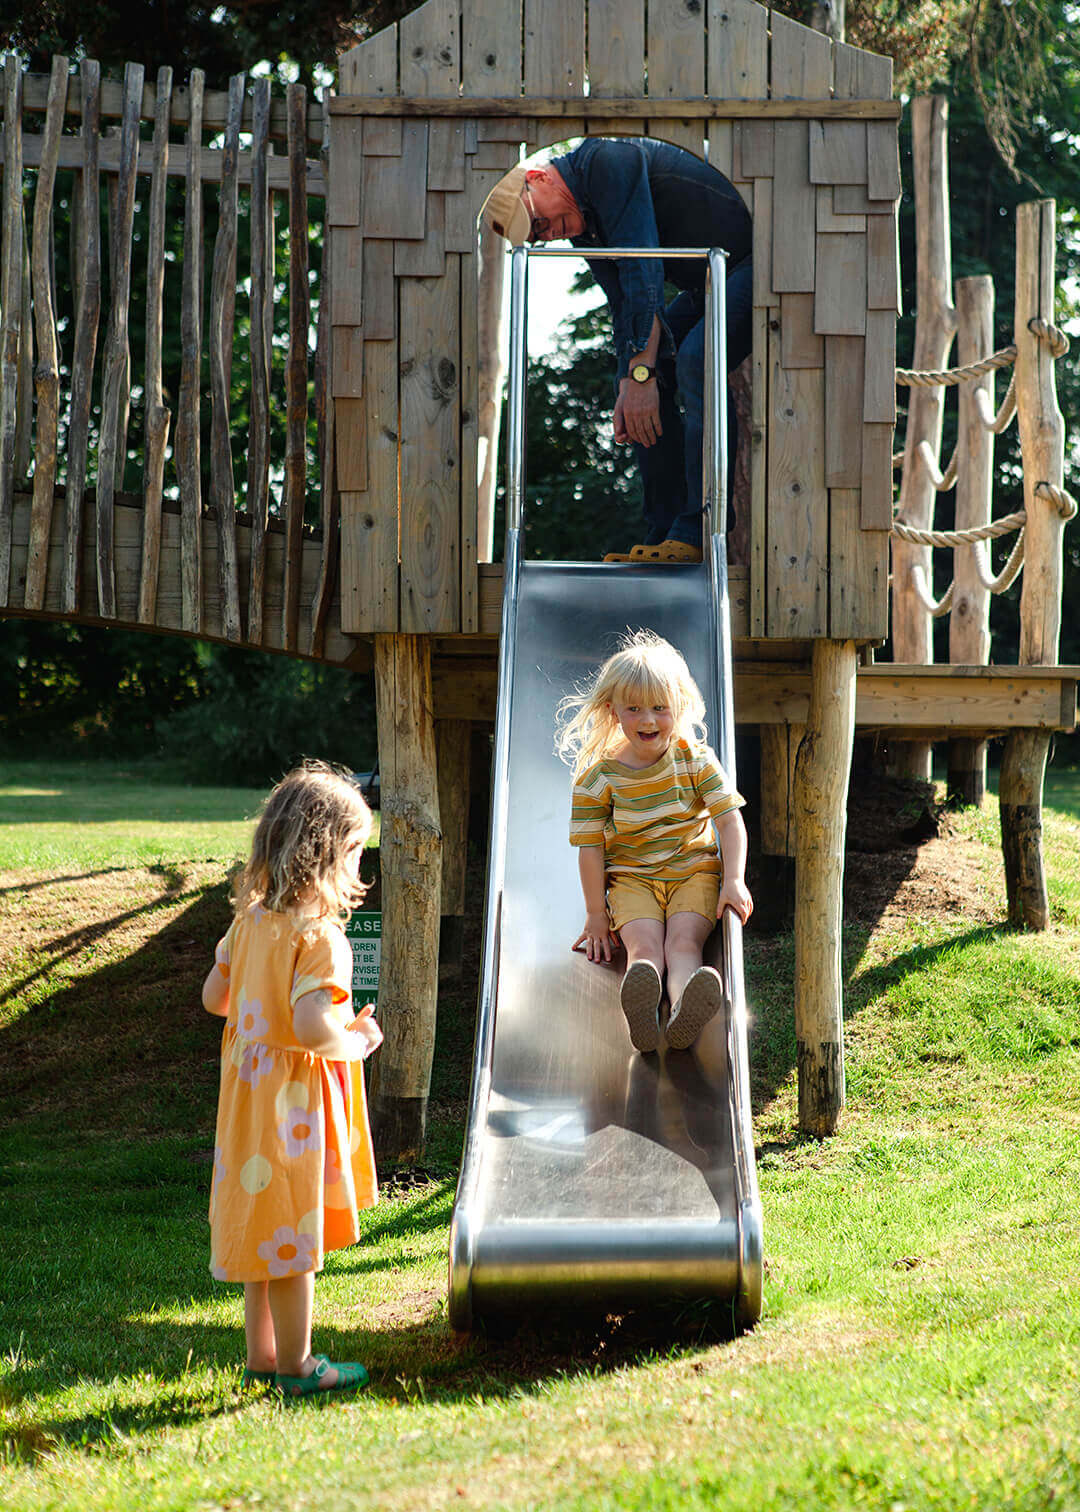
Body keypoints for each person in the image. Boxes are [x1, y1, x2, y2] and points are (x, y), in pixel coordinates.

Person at [481, 137, 753, 563]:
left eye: (538, 225)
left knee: (698, 360)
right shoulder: (586, 223)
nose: (549, 236)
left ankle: (700, 525)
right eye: (539, 240)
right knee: (635, 376)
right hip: (710, 284)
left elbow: (643, 269)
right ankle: (667, 530)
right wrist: (630, 380)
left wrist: (641, 375)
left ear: (537, 178)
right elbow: (623, 307)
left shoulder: (606, 160)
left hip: (757, 264)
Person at [202, 759, 383, 1398]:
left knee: (261, 1224)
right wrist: (353, 1041)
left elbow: (214, 1000)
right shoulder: (322, 937)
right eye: (357, 850)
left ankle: (262, 1355)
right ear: (327, 854)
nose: (362, 865)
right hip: (292, 1105)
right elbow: (311, 1026)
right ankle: (299, 1365)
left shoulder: (247, 922)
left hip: (246, 1100)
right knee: (293, 1234)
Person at [556, 630, 753, 1052]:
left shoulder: (695, 759)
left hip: (693, 874)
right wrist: (595, 914)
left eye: (660, 709)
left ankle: (684, 1006)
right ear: (614, 712)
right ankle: (642, 1008)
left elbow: (730, 821)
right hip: (632, 881)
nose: (648, 721)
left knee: (683, 943)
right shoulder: (598, 779)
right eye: (635, 709)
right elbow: (590, 850)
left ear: (678, 706)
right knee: (644, 947)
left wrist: (733, 879)